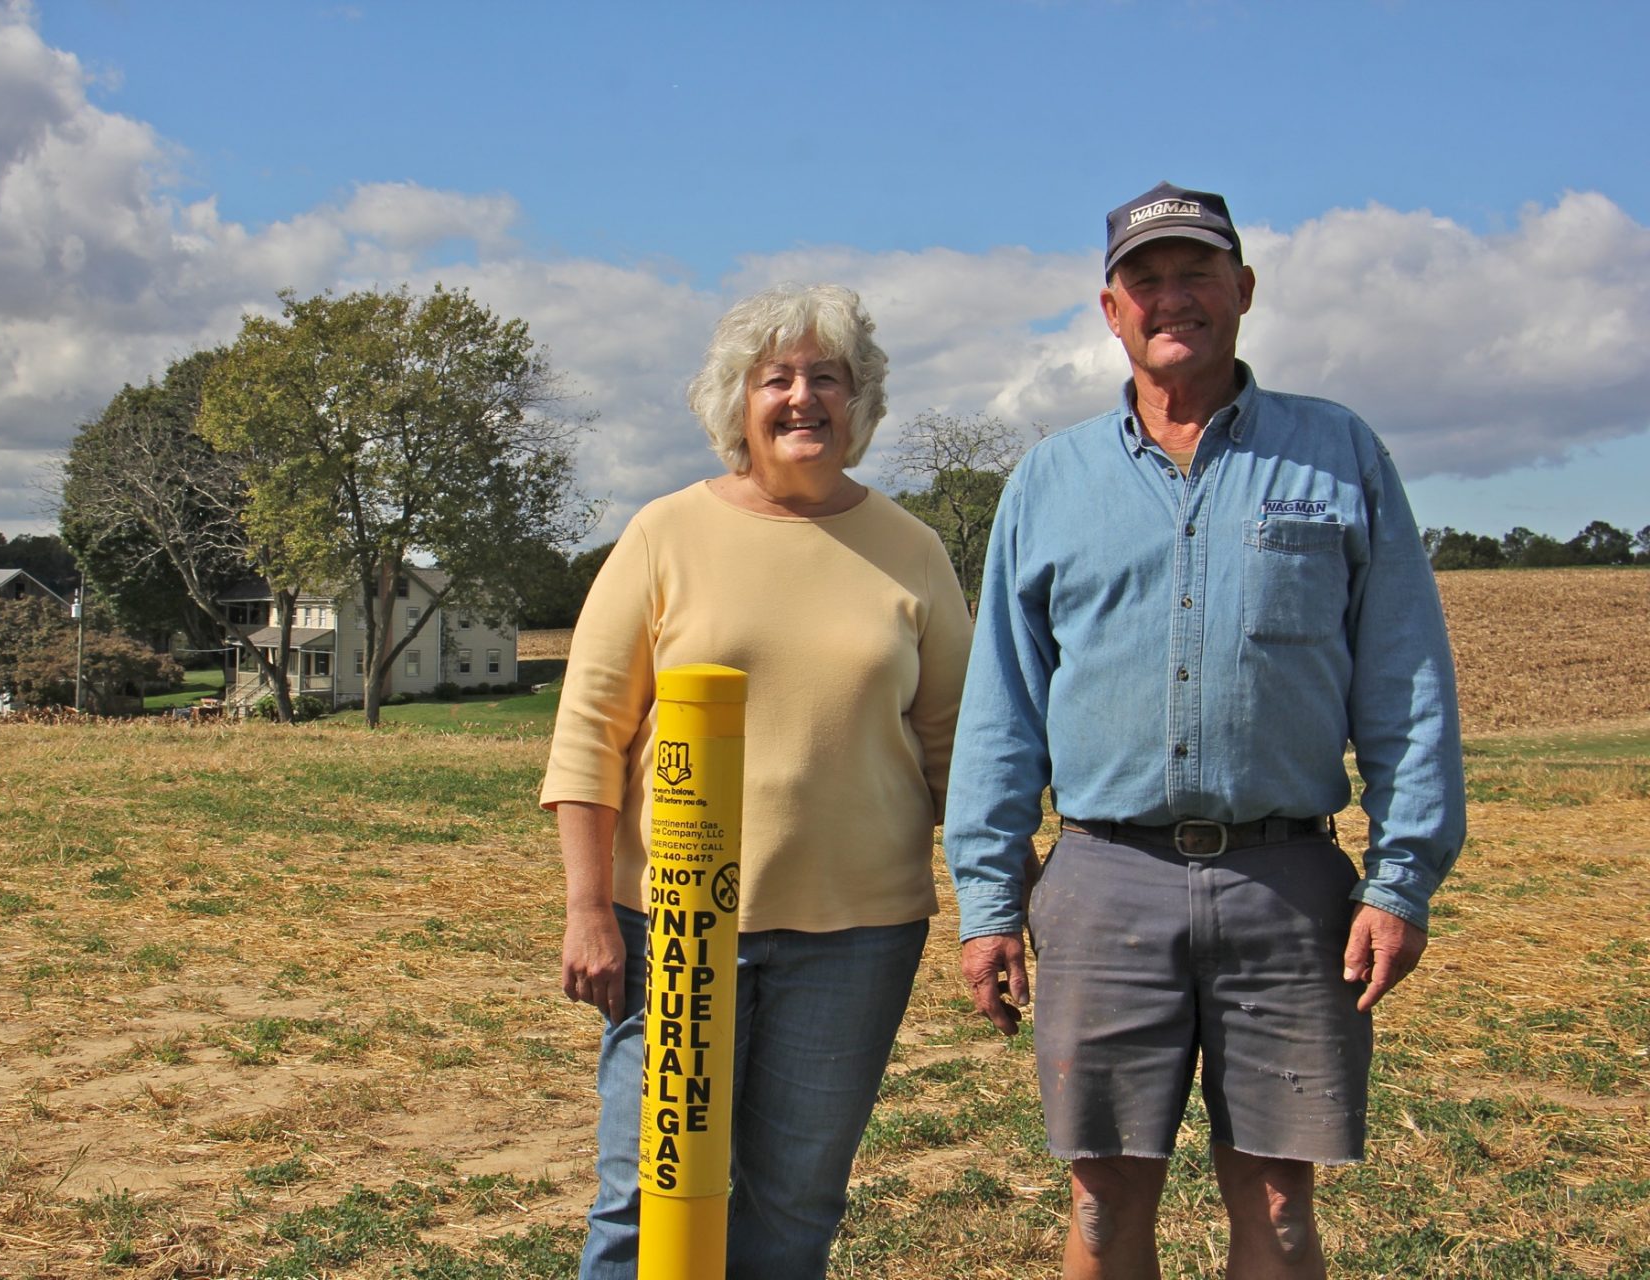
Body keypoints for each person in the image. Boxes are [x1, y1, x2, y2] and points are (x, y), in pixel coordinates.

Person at [943, 182, 1465, 1277]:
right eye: (1148, 281)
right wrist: (989, 901)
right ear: (1110, 308)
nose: (1172, 298)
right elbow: (1002, 706)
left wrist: (1400, 876)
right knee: (1100, 1205)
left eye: (1197, 274)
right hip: (1102, 879)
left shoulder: (1339, 453)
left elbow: (1406, 680)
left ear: (1244, 290)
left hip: (1288, 884)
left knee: (1279, 1208)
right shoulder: (1051, 480)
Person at [542, 283, 972, 1280]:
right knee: (645, 1201)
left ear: (860, 401)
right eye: (777, 377)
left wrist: (1001, 890)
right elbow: (587, 736)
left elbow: (954, 740)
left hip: (857, 937)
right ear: (737, 401)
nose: (803, 397)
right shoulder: (663, 534)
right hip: (673, 928)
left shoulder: (913, 550)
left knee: (793, 1210)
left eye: (829, 376)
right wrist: (586, 909)